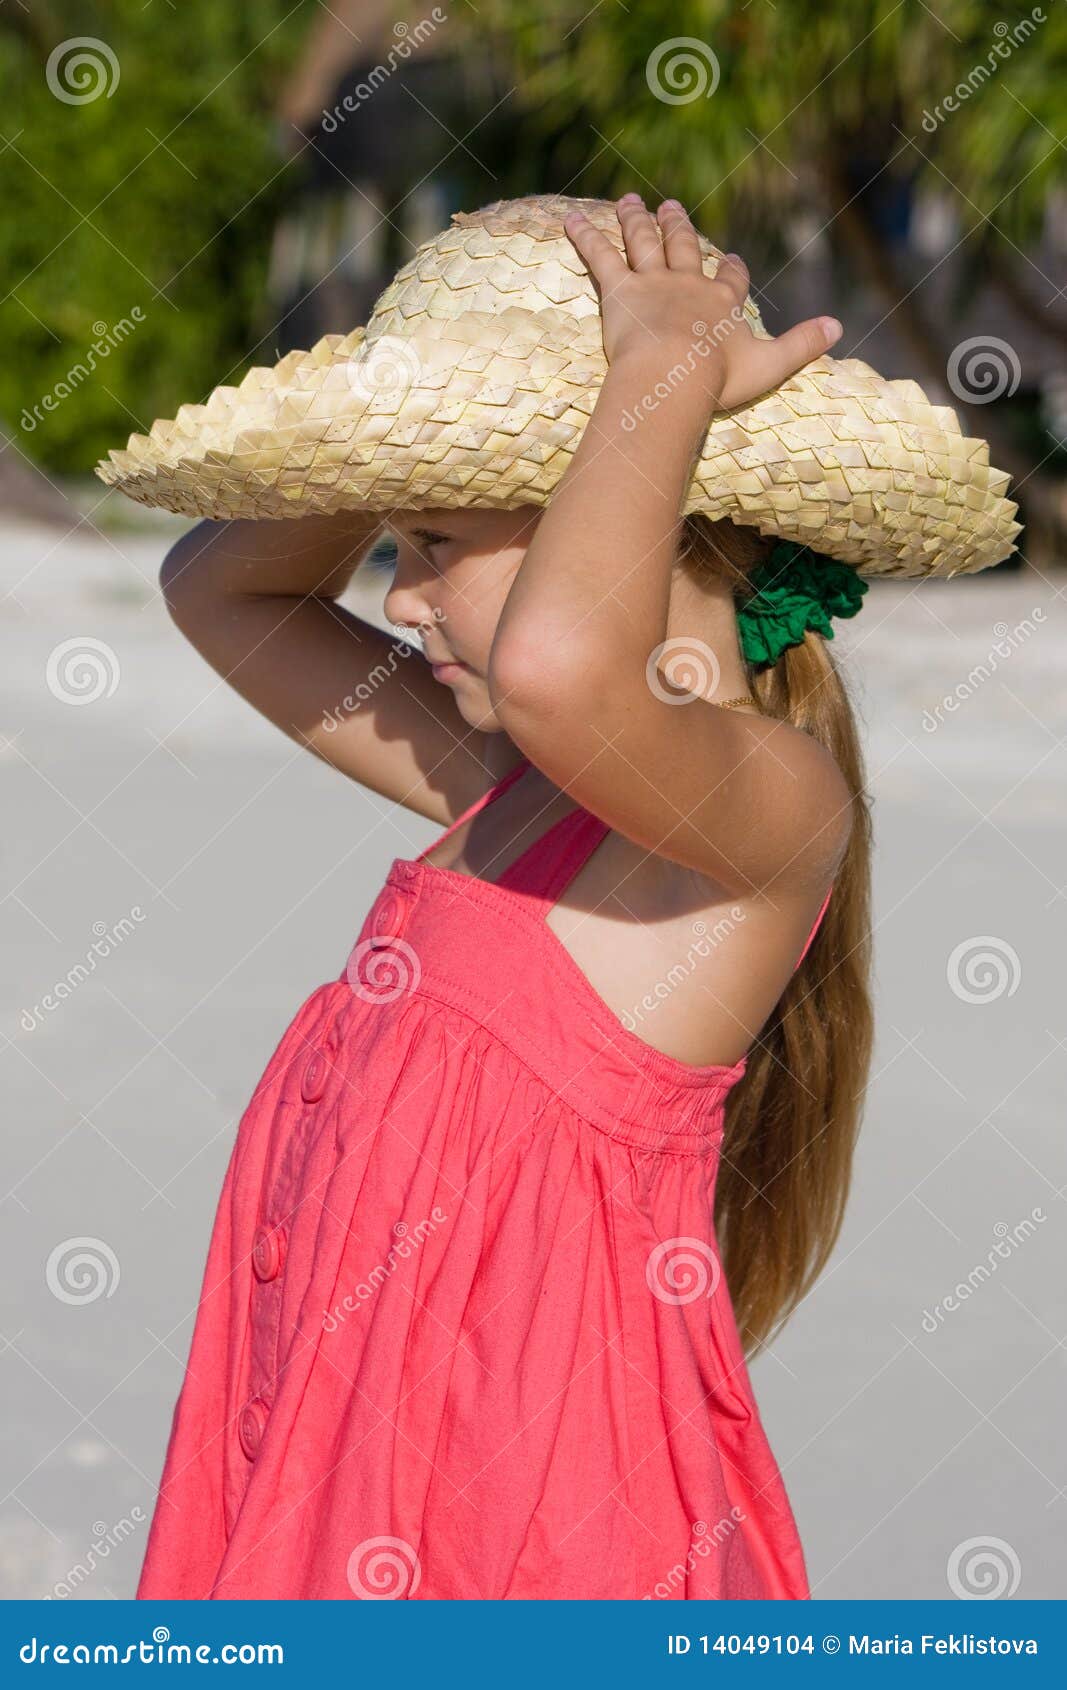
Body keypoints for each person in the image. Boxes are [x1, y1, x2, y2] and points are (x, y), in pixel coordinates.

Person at [95, 193, 1020, 1600]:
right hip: (354, 1491)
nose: (398, 600)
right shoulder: (520, 786)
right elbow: (224, 592)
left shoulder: (762, 812)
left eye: (439, 543)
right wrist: (412, 418)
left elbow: (561, 667)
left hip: (536, 1525)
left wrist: (655, 373)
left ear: (646, 520)